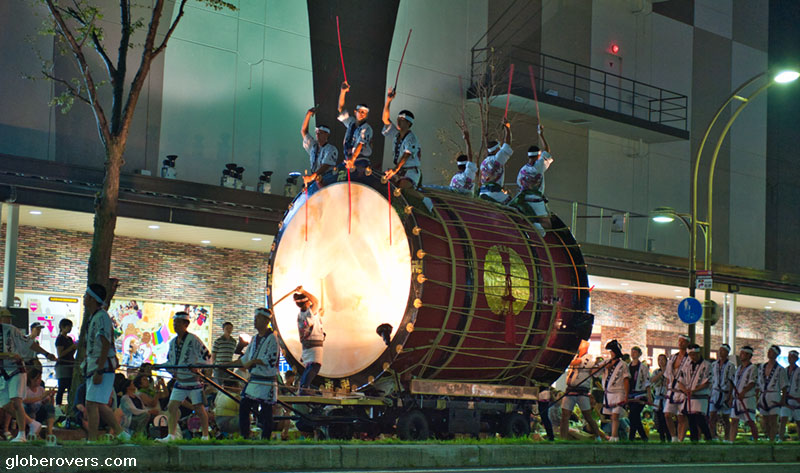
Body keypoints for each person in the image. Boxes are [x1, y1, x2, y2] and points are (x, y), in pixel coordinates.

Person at [1, 307, 57, 442]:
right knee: (4, 404)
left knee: (16, 401)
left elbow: (29, 344)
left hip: (16, 369)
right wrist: (7, 355)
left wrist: (46, 354)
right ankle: (32, 423)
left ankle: (22, 434)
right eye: (7, 317)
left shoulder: (12, 330)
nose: (9, 320)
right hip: (3, 372)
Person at [224, 307, 280, 440]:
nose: (255, 321)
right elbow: (245, 359)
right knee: (244, 405)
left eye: (258, 318)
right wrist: (227, 365)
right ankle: (245, 435)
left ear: (266, 321)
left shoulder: (273, 338)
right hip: (255, 379)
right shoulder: (254, 339)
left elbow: (270, 359)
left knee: (266, 410)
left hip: (266, 380)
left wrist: (253, 361)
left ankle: (265, 438)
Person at [82, 283, 127, 442]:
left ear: (93, 299)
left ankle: (92, 439)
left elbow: (105, 343)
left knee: (91, 403)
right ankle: (121, 434)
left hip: (102, 367)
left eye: (87, 296)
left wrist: (99, 370)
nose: (84, 298)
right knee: (98, 404)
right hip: (96, 365)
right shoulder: (95, 316)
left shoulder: (101, 317)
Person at [157, 311, 212, 442]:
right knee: (172, 407)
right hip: (180, 381)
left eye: (177, 323)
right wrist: (157, 366)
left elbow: (207, 357)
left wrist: (197, 366)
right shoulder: (172, 342)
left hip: (193, 381)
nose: (175, 325)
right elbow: (171, 362)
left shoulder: (194, 340)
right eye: (174, 323)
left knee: (199, 408)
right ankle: (171, 435)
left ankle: (205, 435)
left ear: (185, 324)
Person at [382, 88, 434, 213]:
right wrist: (388, 100)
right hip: (399, 170)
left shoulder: (411, 138)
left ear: (409, 124)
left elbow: (406, 155)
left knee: (403, 188)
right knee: (384, 184)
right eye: (398, 119)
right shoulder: (396, 134)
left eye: (402, 120)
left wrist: (395, 170)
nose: (398, 121)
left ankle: (425, 200)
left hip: (411, 171)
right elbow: (385, 119)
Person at [509, 125, 553, 238]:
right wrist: (541, 134)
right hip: (536, 200)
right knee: (548, 225)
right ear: (538, 155)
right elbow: (547, 151)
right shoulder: (539, 165)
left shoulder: (522, 170)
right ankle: (535, 226)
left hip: (523, 200)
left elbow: (519, 185)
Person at [560, 340, 603, 440]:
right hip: (570, 390)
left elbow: (578, 363)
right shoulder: (575, 357)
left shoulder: (588, 358)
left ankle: (598, 436)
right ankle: (563, 438)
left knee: (587, 416)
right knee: (565, 415)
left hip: (582, 391)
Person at [678, 343, 712, 442]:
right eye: (691, 355)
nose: (693, 357)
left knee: (700, 419)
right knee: (691, 419)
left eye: (695, 354)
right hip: (689, 396)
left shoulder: (707, 365)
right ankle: (694, 440)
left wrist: (694, 390)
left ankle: (708, 438)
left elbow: (707, 382)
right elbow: (680, 381)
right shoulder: (686, 365)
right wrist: (685, 390)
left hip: (701, 396)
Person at [295, 287, 323, 392]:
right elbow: (316, 302)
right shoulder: (308, 313)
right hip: (313, 346)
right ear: (306, 303)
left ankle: (304, 387)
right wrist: (303, 291)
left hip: (308, 345)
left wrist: (318, 315)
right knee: (314, 366)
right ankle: (304, 388)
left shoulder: (302, 315)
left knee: (310, 366)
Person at [337, 81, 373, 168]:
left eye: (364, 112)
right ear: (355, 112)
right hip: (349, 158)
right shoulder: (351, 122)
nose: (361, 114)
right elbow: (341, 109)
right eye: (360, 111)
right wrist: (343, 92)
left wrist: (352, 160)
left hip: (360, 160)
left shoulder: (366, 128)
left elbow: (360, 144)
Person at [757, 344, 788, 442]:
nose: (769, 353)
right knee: (764, 421)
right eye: (768, 351)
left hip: (774, 394)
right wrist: (757, 397)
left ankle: (772, 439)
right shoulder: (762, 367)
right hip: (763, 394)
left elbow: (784, 386)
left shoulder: (780, 369)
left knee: (773, 420)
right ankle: (768, 436)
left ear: (776, 354)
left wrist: (783, 399)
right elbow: (758, 384)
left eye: (771, 351)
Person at [663, 333, 690, 442]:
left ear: (687, 343)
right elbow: (668, 375)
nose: (680, 343)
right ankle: (673, 436)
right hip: (672, 389)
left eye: (683, 341)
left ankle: (680, 439)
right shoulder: (673, 357)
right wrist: (667, 388)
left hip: (683, 390)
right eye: (679, 341)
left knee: (681, 416)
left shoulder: (689, 358)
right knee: (667, 414)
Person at [301, 105, 338, 185]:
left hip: (326, 180)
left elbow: (325, 166)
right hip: (315, 180)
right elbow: (304, 131)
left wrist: (311, 177)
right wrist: (308, 114)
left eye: (320, 132)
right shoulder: (313, 146)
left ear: (327, 134)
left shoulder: (331, 149)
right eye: (317, 132)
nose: (317, 134)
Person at [478, 120, 513, 203]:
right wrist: (507, 129)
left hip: (482, 192)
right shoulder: (497, 158)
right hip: (494, 193)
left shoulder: (483, 162)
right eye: (499, 148)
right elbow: (507, 143)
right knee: (512, 204)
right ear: (496, 149)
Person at [601, 340, 630, 442]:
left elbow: (626, 380)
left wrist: (626, 395)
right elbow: (594, 371)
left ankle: (615, 436)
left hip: (619, 392)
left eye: (613, 351)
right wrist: (604, 367)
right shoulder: (606, 363)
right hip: (608, 393)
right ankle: (614, 436)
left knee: (615, 415)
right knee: (612, 416)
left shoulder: (623, 364)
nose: (611, 353)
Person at [729, 345, 758, 442]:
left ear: (749, 355)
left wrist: (743, 392)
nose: (741, 355)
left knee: (750, 421)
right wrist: (732, 396)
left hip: (747, 398)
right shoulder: (738, 368)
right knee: (734, 420)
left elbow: (752, 382)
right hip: (737, 398)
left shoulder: (753, 368)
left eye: (743, 353)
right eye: (740, 353)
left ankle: (756, 440)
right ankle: (731, 441)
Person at [709, 343, 736, 440]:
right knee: (712, 416)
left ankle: (726, 437)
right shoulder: (713, 364)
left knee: (725, 417)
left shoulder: (730, 366)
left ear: (727, 353)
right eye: (719, 350)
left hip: (725, 392)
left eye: (723, 351)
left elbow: (732, 382)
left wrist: (730, 396)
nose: (720, 352)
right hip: (715, 392)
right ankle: (712, 436)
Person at [22, 368, 55, 440]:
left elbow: (50, 405)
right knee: (30, 407)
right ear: (31, 379)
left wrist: (51, 397)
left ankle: (49, 432)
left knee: (49, 407)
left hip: (39, 412)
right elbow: (25, 400)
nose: (40, 380)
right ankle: (34, 431)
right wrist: (41, 397)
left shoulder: (41, 389)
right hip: (28, 413)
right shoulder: (26, 389)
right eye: (38, 378)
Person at [627, 346, 650, 441]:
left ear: (639, 354)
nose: (633, 354)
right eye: (632, 352)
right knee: (634, 417)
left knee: (633, 414)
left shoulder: (643, 367)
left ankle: (632, 437)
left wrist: (649, 395)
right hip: (630, 394)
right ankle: (641, 437)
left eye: (635, 352)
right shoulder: (628, 366)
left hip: (640, 394)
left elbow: (647, 381)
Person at [449, 124, 477, 194]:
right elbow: (470, 156)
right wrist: (467, 141)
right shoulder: (468, 173)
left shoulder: (454, 178)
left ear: (458, 166)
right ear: (467, 165)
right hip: (467, 200)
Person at [54, 318, 76, 406]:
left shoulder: (69, 339)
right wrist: (71, 348)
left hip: (71, 364)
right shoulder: (60, 339)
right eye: (68, 326)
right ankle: (58, 405)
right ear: (63, 327)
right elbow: (60, 354)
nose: (70, 329)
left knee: (71, 387)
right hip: (63, 366)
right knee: (62, 387)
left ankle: (70, 405)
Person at [780, 349, 799, 441]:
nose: (789, 359)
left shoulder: (799, 371)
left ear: (796, 358)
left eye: (791, 357)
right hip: (786, 398)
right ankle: (780, 438)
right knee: (783, 419)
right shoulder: (784, 370)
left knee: (798, 421)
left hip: (797, 398)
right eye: (788, 357)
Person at [650, 353, 669, 442]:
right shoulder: (656, 372)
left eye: (662, 359)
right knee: (659, 418)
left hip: (666, 397)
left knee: (667, 418)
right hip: (658, 397)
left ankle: (669, 436)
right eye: (659, 360)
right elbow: (652, 380)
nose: (661, 361)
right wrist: (662, 372)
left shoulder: (670, 371)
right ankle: (662, 437)